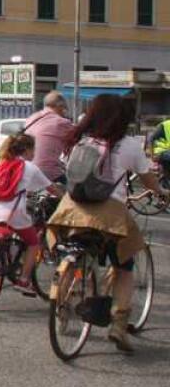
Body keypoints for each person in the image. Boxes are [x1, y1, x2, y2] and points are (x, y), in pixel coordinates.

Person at [46, 95, 170, 353]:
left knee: (72, 251)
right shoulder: (129, 145)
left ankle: (61, 304)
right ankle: (119, 324)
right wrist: (161, 192)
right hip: (110, 215)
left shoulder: (80, 140)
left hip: (72, 210)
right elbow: (148, 180)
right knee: (124, 265)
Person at [0, 134, 59, 296]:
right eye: (33, 150)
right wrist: (65, 198)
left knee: (6, 240)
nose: (34, 154)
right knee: (33, 243)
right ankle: (24, 280)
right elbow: (51, 188)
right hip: (11, 213)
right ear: (26, 150)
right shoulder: (29, 167)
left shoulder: (2, 162)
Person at [23, 91, 76, 184]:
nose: (65, 111)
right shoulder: (62, 122)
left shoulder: (31, 119)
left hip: (26, 171)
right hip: (48, 174)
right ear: (60, 106)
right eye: (65, 108)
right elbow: (76, 145)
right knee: (73, 188)